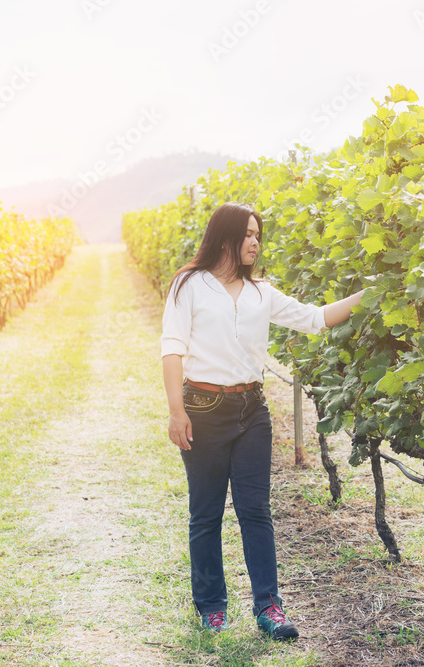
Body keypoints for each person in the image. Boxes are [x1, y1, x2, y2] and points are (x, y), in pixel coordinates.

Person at [160, 201, 363, 640]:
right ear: (226, 237)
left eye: (258, 235)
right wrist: (177, 412)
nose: (255, 242)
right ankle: (212, 606)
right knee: (206, 512)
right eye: (247, 234)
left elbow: (315, 319)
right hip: (203, 409)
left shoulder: (261, 293)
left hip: (252, 409)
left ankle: (269, 607)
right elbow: (172, 349)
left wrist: (368, 297)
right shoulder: (189, 285)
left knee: (256, 510)